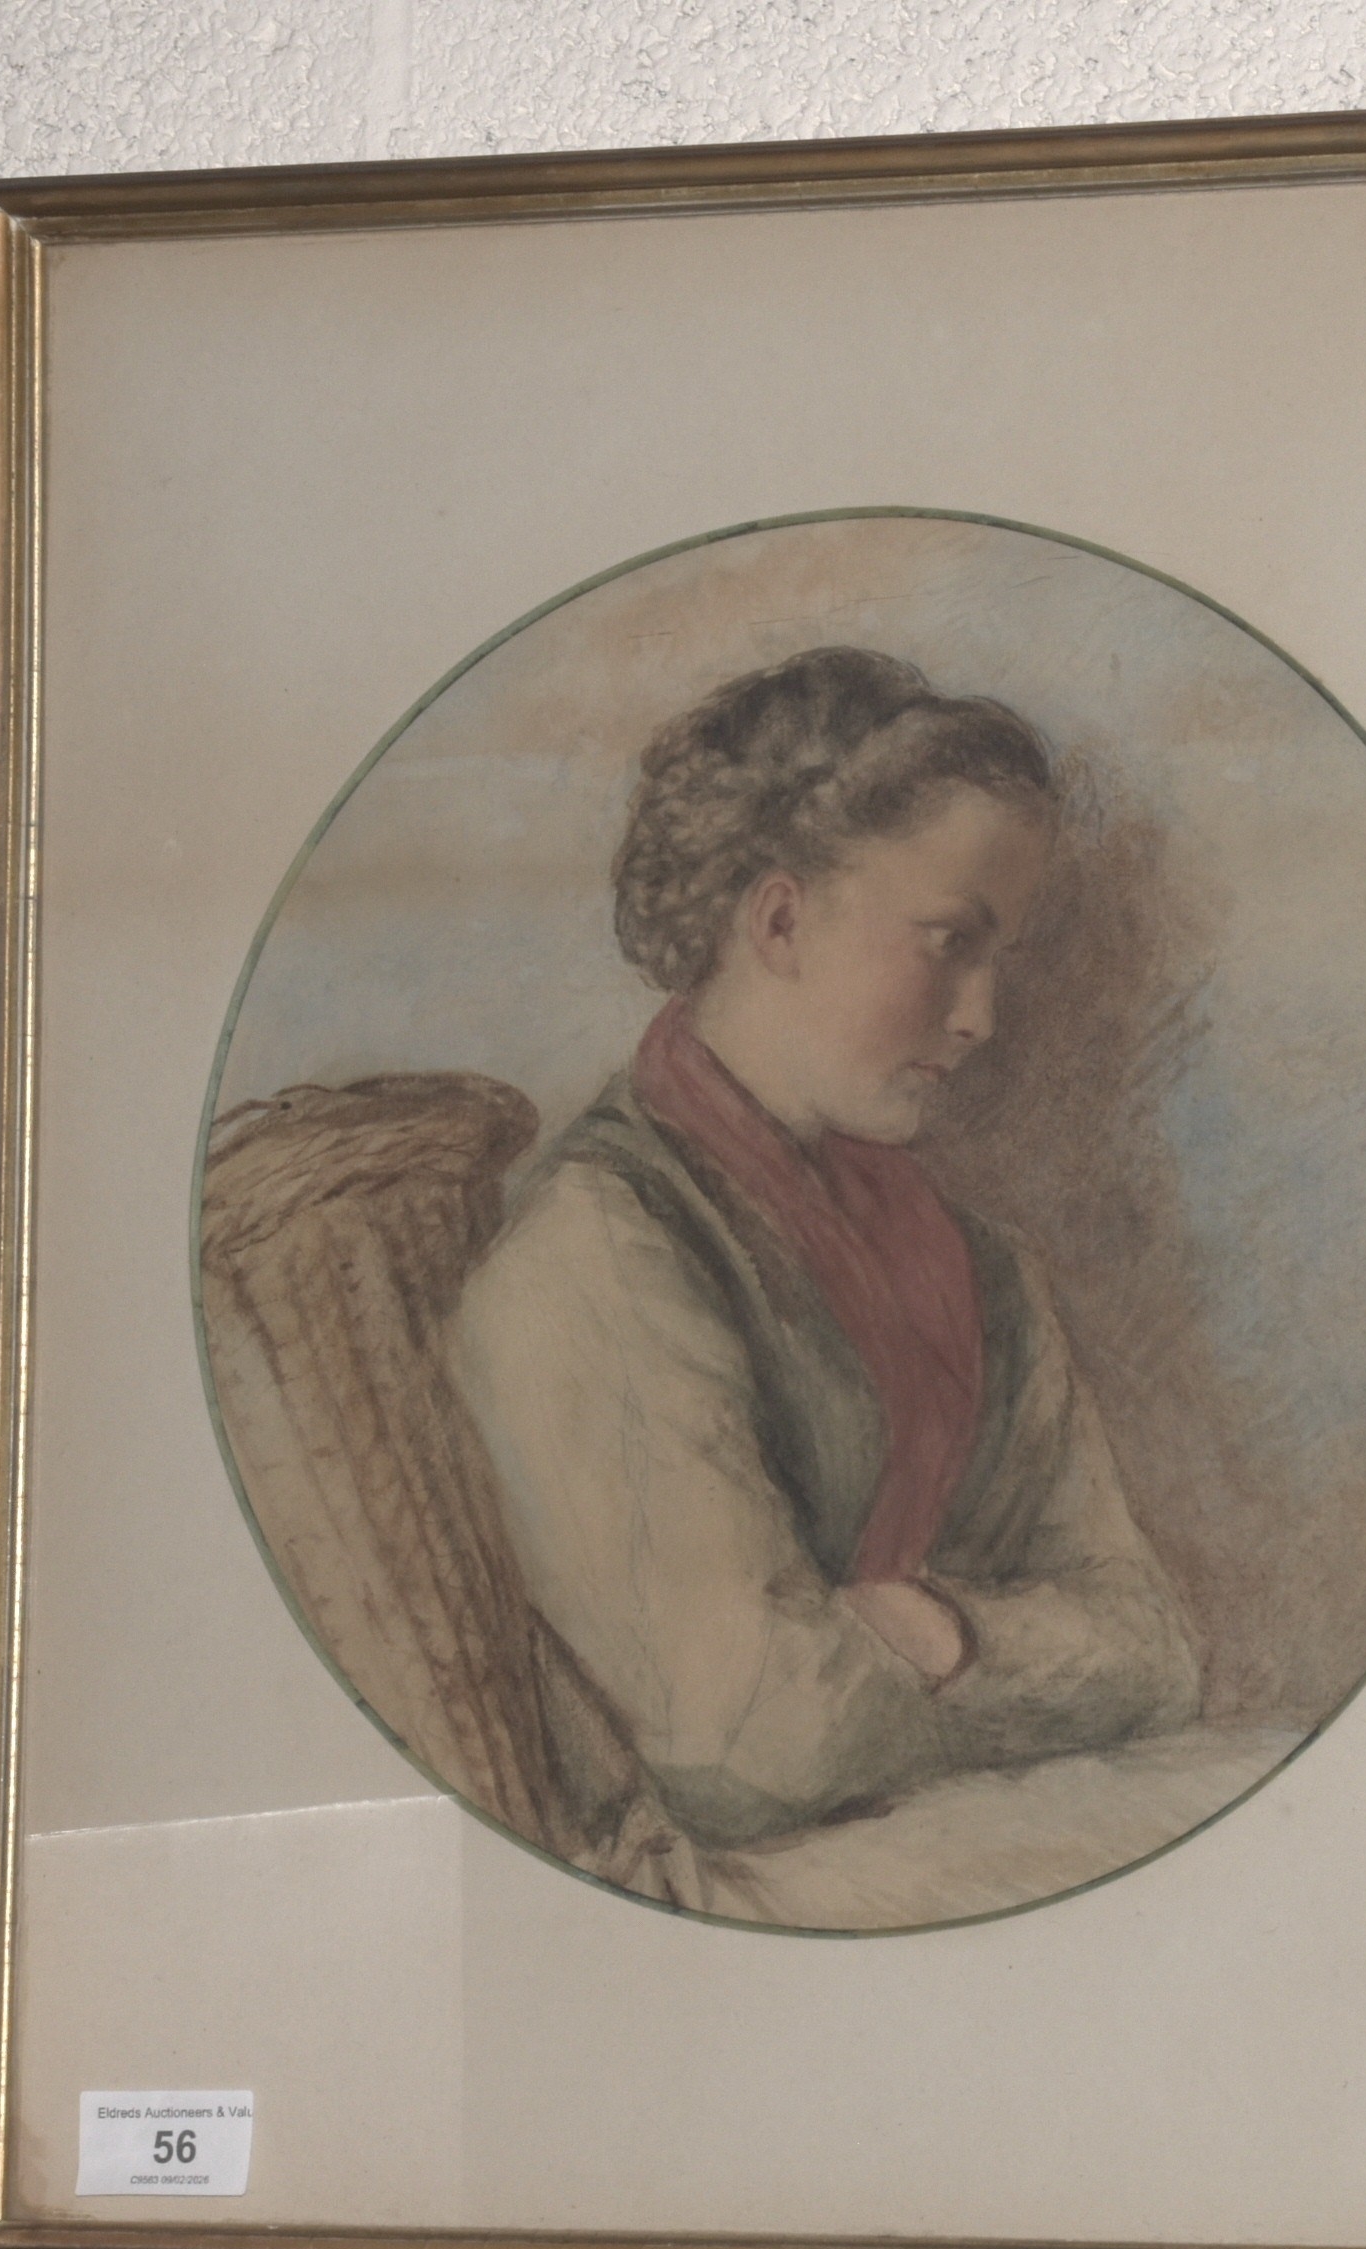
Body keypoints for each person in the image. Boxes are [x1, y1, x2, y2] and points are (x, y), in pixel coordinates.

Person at [447, 646, 1203, 1871]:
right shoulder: (589, 1257)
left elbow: (1156, 1649)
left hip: (949, 1838)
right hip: (716, 1892)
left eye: (997, 957)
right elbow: (753, 1742)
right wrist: (1013, 1664)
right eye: (948, 941)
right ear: (781, 919)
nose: (981, 1016)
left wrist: (943, 1634)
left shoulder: (983, 1272)